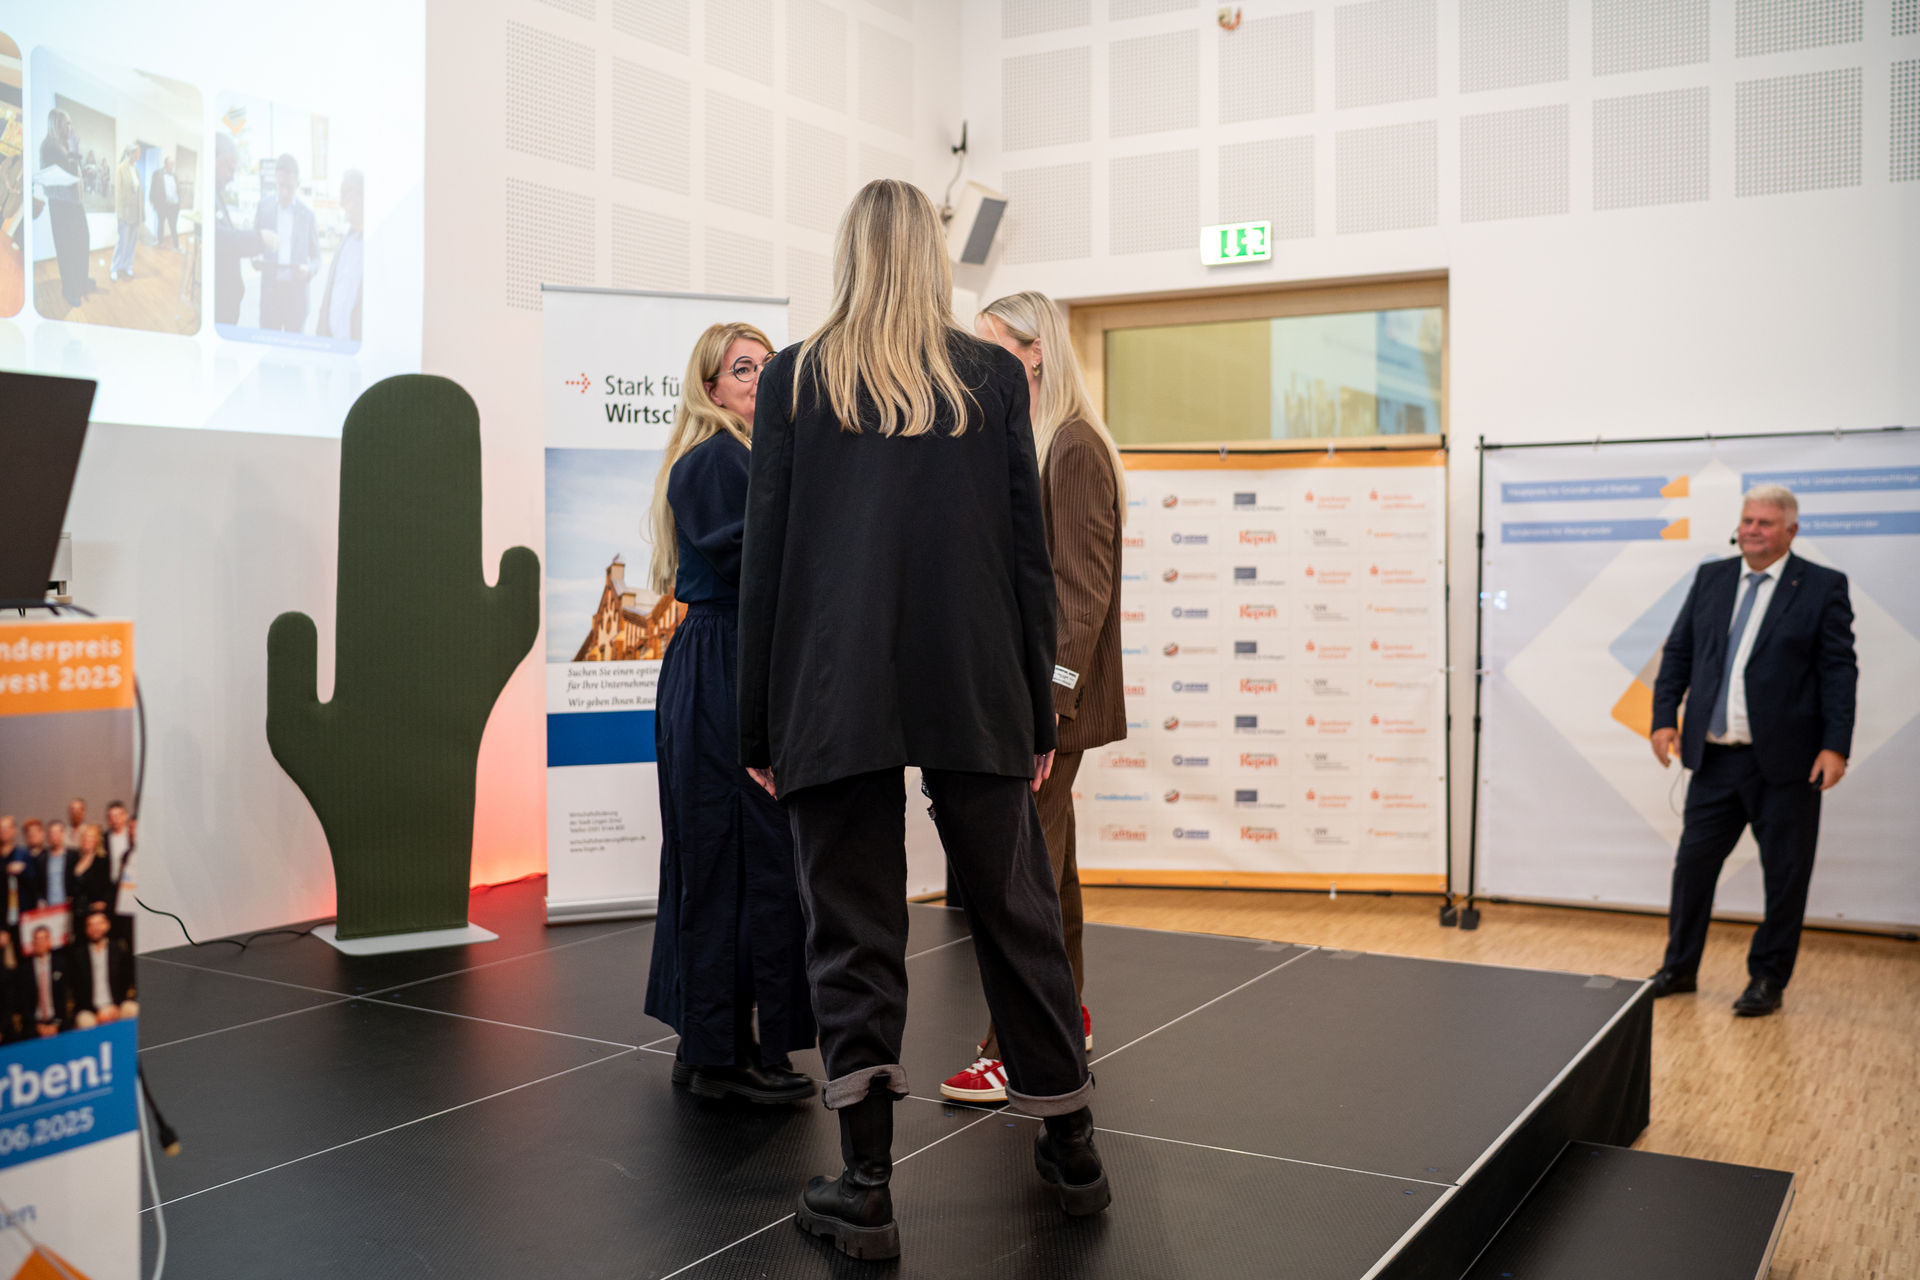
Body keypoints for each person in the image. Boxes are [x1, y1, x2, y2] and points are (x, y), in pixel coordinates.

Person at [739, 178, 1108, 1262]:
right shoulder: (989, 377)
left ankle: (866, 1188)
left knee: (853, 931)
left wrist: (757, 728)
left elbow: (767, 569)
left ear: (851, 251)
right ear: (934, 260)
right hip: (975, 684)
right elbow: (1026, 557)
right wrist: (1036, 711)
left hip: (832, 689)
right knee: (1016, 914)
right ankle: (1074, 1151)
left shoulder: (797, 378)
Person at [939, 291, 1129, 1105]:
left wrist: (1050, 705)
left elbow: (1082, 594)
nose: (979, 360)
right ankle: (1064, 1018)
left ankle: (1014, 1052)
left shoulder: (1073, 445)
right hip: (1032, 703)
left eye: (995, 345)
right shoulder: (1032, 437)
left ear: (1037, 350)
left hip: (1049, 710)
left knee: (1023, 884)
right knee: (1053, 873)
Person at [641, 321, 816, 1105]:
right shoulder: (715, 460)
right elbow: (761, 561)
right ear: (709, 387)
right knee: (726, 857)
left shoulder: (761, 456)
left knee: (752, 858)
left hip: (743, 663)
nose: (759, 378)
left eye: (767, 365)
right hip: (721, 668)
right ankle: (721, 1055)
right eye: (742, 368)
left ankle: (724, 1043)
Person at [1647, 484, 1857, 1017]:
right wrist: (1663, 718)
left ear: (1791, 530)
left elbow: (1839, 671)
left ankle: (1767, 977)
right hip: (1714, 758)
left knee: (1785, 876)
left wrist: (1835, 746)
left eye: (1765, 522)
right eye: (1747, 521)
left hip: (1787, 764)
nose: (1753, 531)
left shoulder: (1821, 586)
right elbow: (1679, 652)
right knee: (1693, 868)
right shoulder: (1712, 578)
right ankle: (1679, 967)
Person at [253, 153, 320, 331]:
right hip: (270, 296)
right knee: (267, 345)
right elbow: (254, 244)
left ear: (298, 184)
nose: (284, 192)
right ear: (275, 181)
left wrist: (309, 270)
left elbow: (317, 258)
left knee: (294, 347)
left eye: (289, 187)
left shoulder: (307, 215)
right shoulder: (263, 208)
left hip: (296, 298)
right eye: (280, 185)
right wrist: (255, 259)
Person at [212, 132, 271, 325]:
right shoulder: (210, 196)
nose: (232, 177)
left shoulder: (217, 196)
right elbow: (220, 239)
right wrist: (259, 239)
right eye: (229, 168)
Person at [38, 109, 96, 305]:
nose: (70, 128)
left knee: (81, 241)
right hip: (61, 205)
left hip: (73, 203)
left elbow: (72, 170)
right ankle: (70, 290)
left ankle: (81, 282)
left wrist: (82, 170)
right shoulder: (50, 146)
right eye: (67, 124)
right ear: (56, 124)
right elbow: (68, 175)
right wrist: (75, 147)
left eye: (70, 123)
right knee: (67, 247)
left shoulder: (61, 146)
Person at [317, 168, 364, 341]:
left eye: (346, 195)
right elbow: (329, 297)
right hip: (331, 345)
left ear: (362, 196)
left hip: (358, 351)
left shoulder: (376, 246)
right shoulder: (345, 243)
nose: (342, 203)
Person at [69, 908, 136, 1028]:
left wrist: (114, 1007)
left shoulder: (119, 950)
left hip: (116, 1005)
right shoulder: (78, 956)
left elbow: (126, 982)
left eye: (99, 923)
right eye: (91, 925)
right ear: (86, 929)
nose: (95, 928)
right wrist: (97, 1011)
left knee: (132, 1009)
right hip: (90, 1010)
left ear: (107, 925)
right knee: (85, 1022)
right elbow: (78, 992)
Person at [24, 925, 70, 1037]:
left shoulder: (60, 964)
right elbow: (23, 1002)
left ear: (49, 941)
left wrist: (56, 1024)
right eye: (37, 939)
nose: (40, 942)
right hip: (34, 1024)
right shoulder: (25, 969)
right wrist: (37, 1026)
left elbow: (64, 997)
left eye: (44, 938)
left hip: (58, 1020)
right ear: (33, 943)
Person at [66, 825, 115, 925]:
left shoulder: (102, 860)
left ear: (96, 841)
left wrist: (104, 901)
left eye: (90, 837)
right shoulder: (75, 859)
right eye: (85, 837)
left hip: (94, 909)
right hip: (77, 909)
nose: (87, 840)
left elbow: (108, 885)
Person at [111, 146, 141, 282]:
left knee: (132, 242)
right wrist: (120, 214)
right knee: (122, 242)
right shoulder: (120, 169)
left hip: (136, 212)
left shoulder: (135, 169)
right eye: (137, 153)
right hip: (125, 213)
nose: (139, 155)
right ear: (131, 153)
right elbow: (118, 194)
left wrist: (142, 212)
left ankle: (127, 266)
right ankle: (114, 268)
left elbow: (139, 192)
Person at [149, 155, 181, 251]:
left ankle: (176, 246)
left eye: (173, 164)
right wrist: (154, 204)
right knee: (161, 224)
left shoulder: (175, 176)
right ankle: (160, 242)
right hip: (162, 205)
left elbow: (178, 190)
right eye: (171, 163)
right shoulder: (157, 174)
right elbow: (152, 190)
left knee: (173, 226)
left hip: (174, 206)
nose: (172, 166)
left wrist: (178, 203)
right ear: (166, 164)